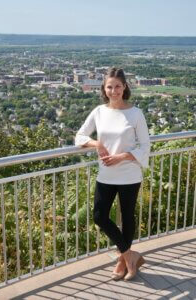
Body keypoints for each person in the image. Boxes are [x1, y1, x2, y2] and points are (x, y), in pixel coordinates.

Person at [75, 67, 150, 281]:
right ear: (104, 88)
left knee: (127, 217)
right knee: (99, 216)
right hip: (106, 175)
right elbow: (79, 136)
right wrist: (96, 142)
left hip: (129, 175)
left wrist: (122, 156)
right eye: (110, 86)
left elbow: (145, 146)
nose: (114, 90)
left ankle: (121, 260)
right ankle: (130, 256)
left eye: (118, 86)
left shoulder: (136, 113)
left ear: (125, 87)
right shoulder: (99, 112)